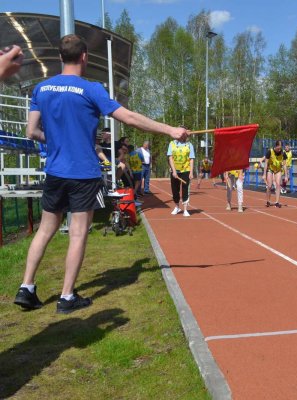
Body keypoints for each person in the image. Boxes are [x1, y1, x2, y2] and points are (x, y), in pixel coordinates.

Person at [13, 34, 188, 314]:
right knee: (79, 233)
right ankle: (66, 296)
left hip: (55, 172)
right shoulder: (91, 89)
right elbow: (129, 118)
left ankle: (27, 287)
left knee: (45, 230)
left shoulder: (41, 89)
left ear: (60, 57)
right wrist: (170, 130)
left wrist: (58, 141)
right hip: (83, 172)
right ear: (84, 57)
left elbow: (31, 132)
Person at [167, 135, 194, 217]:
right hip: (175, 171)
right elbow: (170, 157)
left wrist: (191, 172)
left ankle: (185, 209)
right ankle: (177, 206)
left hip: (186, 170)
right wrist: (174, 171)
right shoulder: (172, 144)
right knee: (175, 190)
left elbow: (191, 158)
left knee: (185, 189)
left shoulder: (189, 144)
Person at [262, 140, 287, 208]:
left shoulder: (283, 153)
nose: (279, 149)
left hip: (278, 170)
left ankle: (277, 202)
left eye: (280, 148)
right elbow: (266, 163)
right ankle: (268, 201)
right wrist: (264, 174)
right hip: (270, 169)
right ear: (275, 146)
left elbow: (284, 165)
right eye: (278, 148)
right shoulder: (270, 152)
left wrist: (286, 176)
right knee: (269, 186)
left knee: (278, 185)